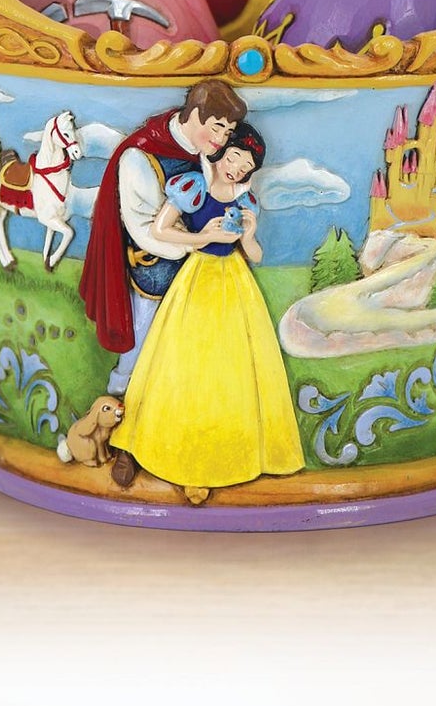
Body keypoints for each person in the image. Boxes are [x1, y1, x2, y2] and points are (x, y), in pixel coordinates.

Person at [110, 122, 304, 498]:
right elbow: (161, 230)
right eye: (234, 158)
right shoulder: (193, 187)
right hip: (197, 277)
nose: (236, 169)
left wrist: (248, 235)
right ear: (221, 152)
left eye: (245, 167)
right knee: (185, 362)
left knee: (233, 366)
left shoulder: (245, 201)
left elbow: (256, 256)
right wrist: (203, 237)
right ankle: (174, 455)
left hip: (234, 282)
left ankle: (225, 456)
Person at [78, 80, 247, 355]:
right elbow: (145, 228)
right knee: (146, 334)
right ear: (195, 115)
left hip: (197, 268)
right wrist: (200, 241)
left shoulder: (208, 153)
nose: (221, 138)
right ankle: (124, 377)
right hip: (156, 266)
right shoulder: (140, 157)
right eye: (216, 127)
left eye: (228, 132)